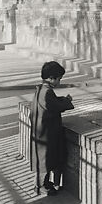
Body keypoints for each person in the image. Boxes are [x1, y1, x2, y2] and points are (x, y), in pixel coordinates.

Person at [30, 61, 74, 196]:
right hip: (46, 133)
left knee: (45, 159)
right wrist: (67, 101)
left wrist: (62, 100)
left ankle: (44, 183)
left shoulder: (41, 90)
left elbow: (51, 103)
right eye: (59, 79)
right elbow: (55, 106)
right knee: (45, 160)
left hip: (40, 131)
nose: (60, 81)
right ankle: (41, 186)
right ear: (52, 78)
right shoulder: (47, 92)